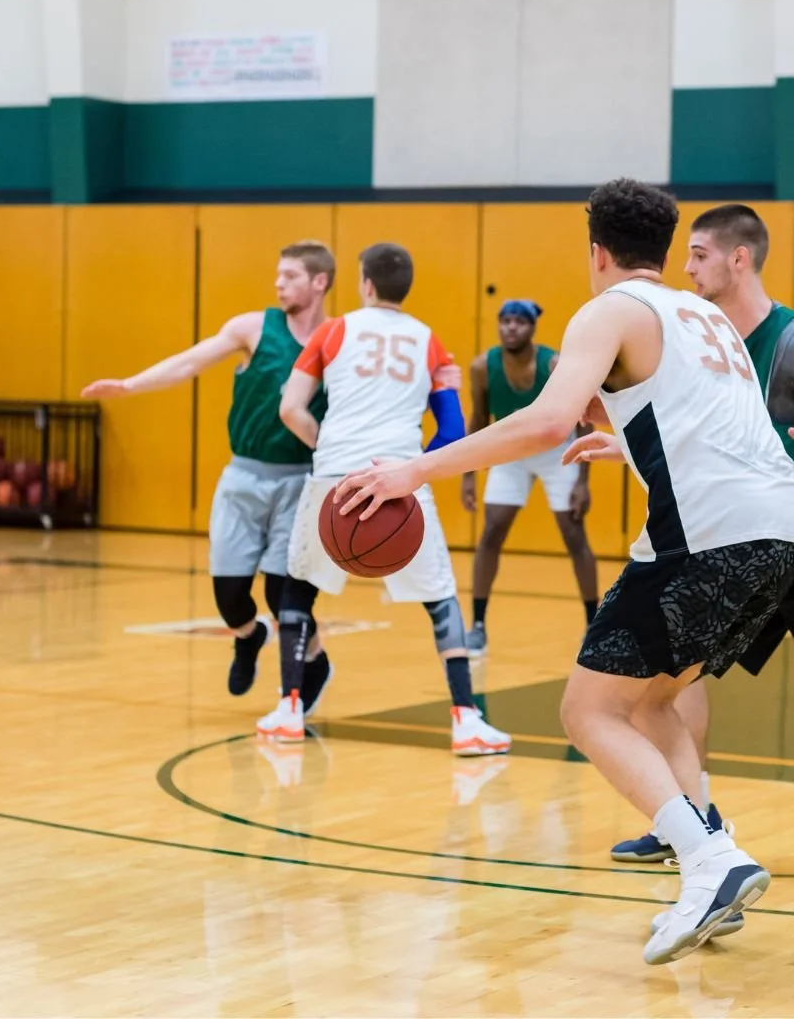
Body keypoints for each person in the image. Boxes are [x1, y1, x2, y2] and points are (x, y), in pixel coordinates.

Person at [333, 179, 794, 965]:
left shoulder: (611, 308)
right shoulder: (707, 315)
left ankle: (713, 864)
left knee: (587, 710)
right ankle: (709, 858)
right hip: (777, 532)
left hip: (706, 537)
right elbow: (717, 422)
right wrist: (623, 441)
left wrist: (415, 471)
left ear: (597, 251)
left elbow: (545, 421)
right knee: (653, 704)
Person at [256, 242, 510, 756]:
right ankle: (465, 719)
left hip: (332, 475)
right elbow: (453, 430)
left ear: (365, 284)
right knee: (440, 598)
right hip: (399, 477)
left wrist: (327, 446)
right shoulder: (430, 342)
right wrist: (418, 470)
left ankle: (288, 708)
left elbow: (290, 408)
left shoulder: (331, 331)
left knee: (297, 591)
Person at [603, 206, 794, 889]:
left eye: (702, 255)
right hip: (735, 524)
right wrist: (622, 443)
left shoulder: (787, 337)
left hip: (771, 521)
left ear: (740, 259)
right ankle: (690, 817)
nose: (687, 268)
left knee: (638, 689)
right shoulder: (693, 328)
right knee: (676, 676)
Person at [81, 242, 336, 709]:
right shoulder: (254, 328)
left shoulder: (339, 339)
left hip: (302, 481)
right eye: (277, 274)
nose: (278, 283)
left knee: (284, 595)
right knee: (230, 596)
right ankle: (247, 635)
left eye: (291, 275)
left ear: (319, 282)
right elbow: (190, 361)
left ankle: (313, 664)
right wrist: (131, 384)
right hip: (244, 477)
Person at [462, 300, 598, 656]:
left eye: (518, 322)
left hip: (558, 452)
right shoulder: (482, 366)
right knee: (491, 531)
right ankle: (477, 625)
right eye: (504, 321)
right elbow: (477, 420)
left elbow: (585, 419)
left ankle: (593, 622)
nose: (510, 328)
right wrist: (467, 476)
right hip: (511, 451)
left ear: (532, 328)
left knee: (573, 534)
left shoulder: (553, 364)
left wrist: (583, 479)